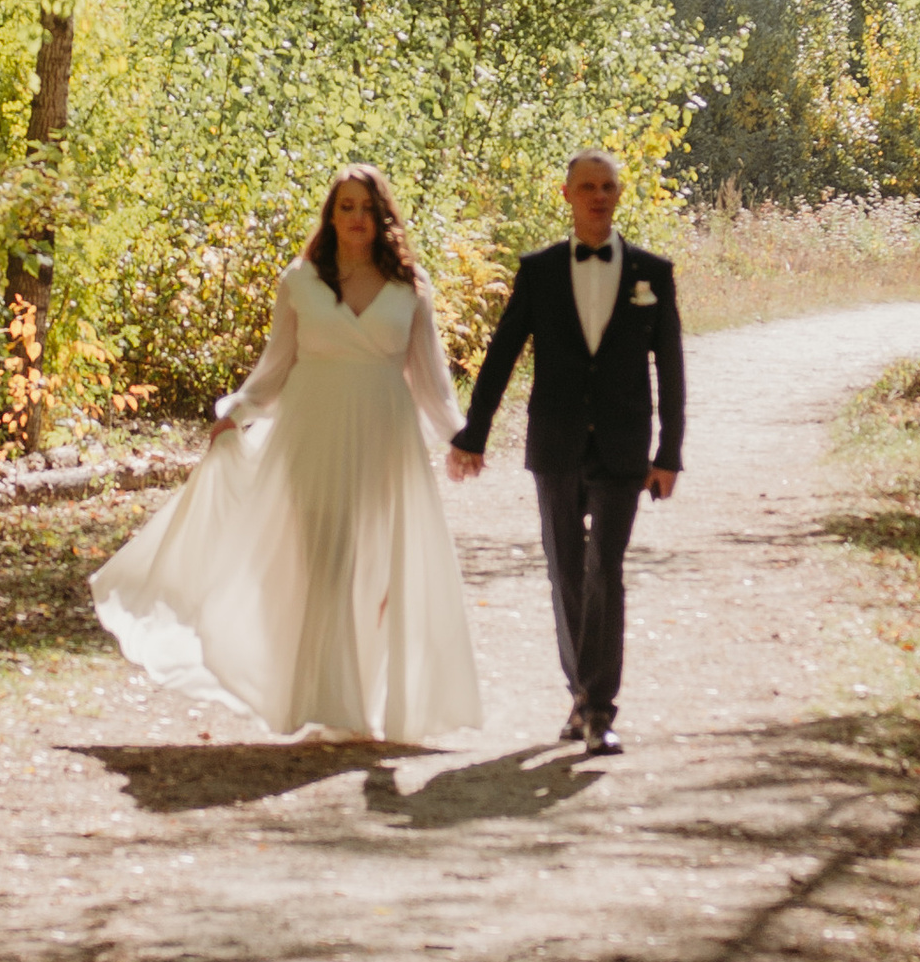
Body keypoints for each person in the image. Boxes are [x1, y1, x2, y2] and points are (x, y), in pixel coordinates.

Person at [91, 166, 482, 741]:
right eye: (345, 207)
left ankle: (376, 699)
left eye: (366, 208)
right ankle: (327, 701)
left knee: (377, 572)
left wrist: (458, 436)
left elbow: (430, 379)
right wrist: (236, 414)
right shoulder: (300, 281)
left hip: (384, 434)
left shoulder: (410, 286)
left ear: (382, 217)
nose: (356, 218)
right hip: (313, 432)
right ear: (331, 215)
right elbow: (276, 366)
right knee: (327, 562)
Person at [446, 148, 684, 755]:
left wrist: (669, 452)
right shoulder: (541, 271)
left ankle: (598, 709)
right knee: (564, 570)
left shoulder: (652, 273)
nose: (598, 196)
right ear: (567, 195)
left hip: (625, 445)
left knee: (606, 567)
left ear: (619, 195)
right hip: (554, 443)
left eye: (608, 187)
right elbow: (500, 356)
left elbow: (672, 369)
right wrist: (474, 433)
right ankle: (580, 693)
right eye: (587, 187)